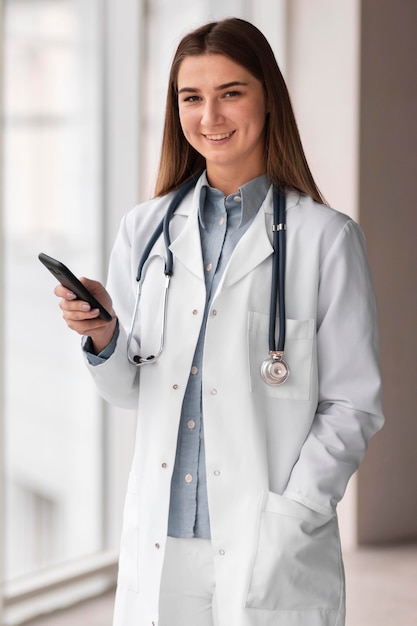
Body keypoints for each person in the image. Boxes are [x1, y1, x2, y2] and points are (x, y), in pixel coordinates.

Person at [55, 17, 384, 626]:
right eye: (191, 97)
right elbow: (132, 389)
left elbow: (353, 405)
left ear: (268, 98)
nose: (210, 116)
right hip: (164, 539)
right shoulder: (145, 230)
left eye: (230, 92)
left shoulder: (325, 239)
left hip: (268, 532)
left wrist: (295, 512)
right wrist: (103, 336)